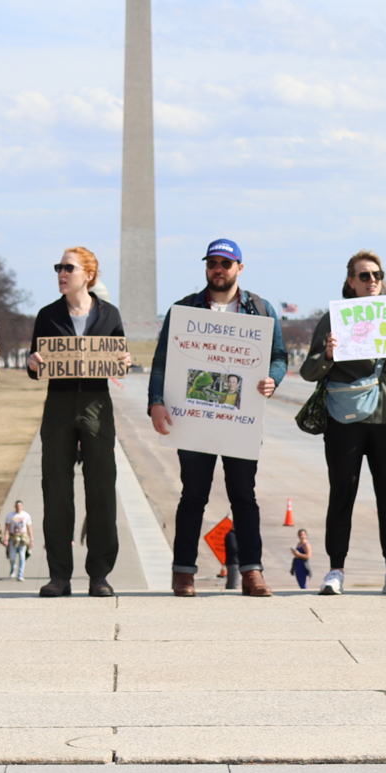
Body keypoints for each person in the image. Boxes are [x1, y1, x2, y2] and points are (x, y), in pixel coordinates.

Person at [148, 238, 288, 597]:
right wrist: (156, 402)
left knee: (244, 495)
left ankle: (252, 572)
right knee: (193, 495)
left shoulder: (260, 308)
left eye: (226, 263)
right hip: (194, 416)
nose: (219, 269)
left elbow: (279, 356)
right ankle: (184, 573)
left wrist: (274, 379)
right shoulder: (184, 309)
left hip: (240, 418)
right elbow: (163, 361)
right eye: (213, 263)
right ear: (206, 267)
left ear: (240, 267)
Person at [300, 250, 386, 596]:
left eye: (377, 274)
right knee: (343, 490)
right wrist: (327, 354)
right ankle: (336, 569)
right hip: (346, 418)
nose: (372, 281)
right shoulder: (334, 319)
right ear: (350, 282)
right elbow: (308, 371)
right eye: (364, 275)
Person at [27, 247, 129, 597]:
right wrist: (33, 362)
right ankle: (59, 576)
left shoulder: (110, 315)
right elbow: (34, 363)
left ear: (88, 274)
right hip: (58, 404)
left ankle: (99, 575)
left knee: (101, 489)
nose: (61, 273)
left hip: (97, 405)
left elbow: (118, 358)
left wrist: (123, 360)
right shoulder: (47, 315)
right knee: (56, 491)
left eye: (68, 268)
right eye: (58, 267)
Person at [5, 500, 33, 581]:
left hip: (23, 538)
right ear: (15, 506)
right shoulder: (10, 515)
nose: (18, 507)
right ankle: (13, 567)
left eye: (20, 505)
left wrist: (32, 539)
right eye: (17, 505)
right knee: (12, 556)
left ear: (22, 506)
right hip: (13, 537)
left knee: (22, 556)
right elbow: (7, 528)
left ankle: (20, 574)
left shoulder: (26, 515)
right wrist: (6, 539)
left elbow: (29, 528)